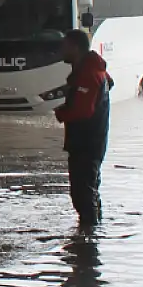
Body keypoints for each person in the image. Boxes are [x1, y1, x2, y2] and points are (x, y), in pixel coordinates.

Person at [54, 29, 112, 228]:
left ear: (75, 48)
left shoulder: (88, 74)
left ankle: (88, 240)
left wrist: (61, 113)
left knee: (82, 194)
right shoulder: (92, 70)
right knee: (89, 191)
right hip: (92, 142)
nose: (61, 50)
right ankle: (91, 237)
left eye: (65, 46)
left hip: (86, 144)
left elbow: (83, 111)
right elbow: (108, 84)